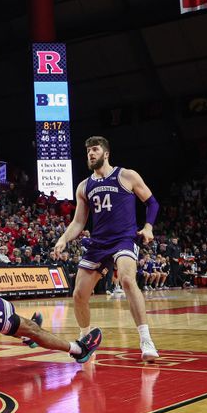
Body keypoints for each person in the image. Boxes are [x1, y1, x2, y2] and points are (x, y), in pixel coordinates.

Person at [54, 136, 159, 362]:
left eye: (95, 149)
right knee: (79, 293)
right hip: (98, 242)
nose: (91, 154)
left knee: (128, 280)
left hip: (124, 238)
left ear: (106, 153)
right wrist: (64, 238)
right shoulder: (84, 186)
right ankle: (85, 341)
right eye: (88, 151)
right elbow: (79, 222)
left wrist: (148, 227)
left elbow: (152, 203)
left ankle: (146, 339)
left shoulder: (126, 175)